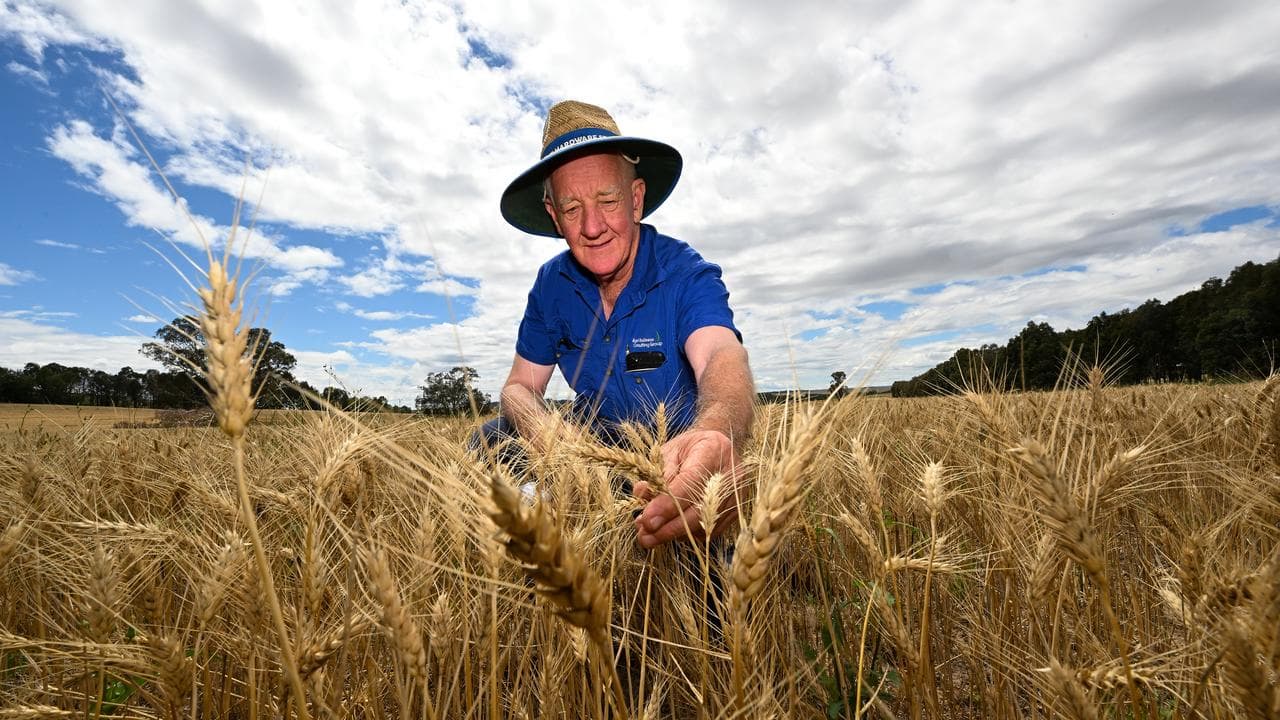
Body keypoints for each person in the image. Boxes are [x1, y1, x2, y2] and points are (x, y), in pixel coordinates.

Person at [481, 100, 755, 550]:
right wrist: (546, 433)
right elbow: (519, 386)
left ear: (636, 199)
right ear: (554, 215)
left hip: (672, 455)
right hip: (595, 448)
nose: (592, 227)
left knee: (709, 567)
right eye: (572, 208)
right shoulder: (550, 285)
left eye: (607, 201)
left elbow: (720, 354)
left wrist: (715, 430)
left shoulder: (685, 272)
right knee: (490, 439)